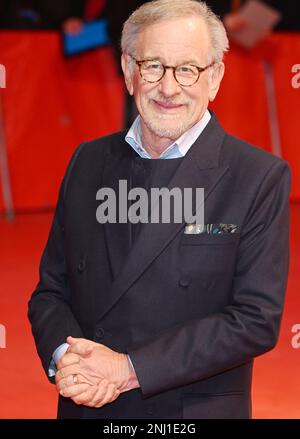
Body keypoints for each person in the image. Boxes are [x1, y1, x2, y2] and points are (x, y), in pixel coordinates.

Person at [28, 0, 290, 419]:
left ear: (216, 77)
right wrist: (66, 357)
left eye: (188, 69)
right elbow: (50, 291)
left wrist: (128, 369)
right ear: (129, 69)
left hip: (189, 413)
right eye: (152, 66)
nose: (169, 88)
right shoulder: (86, 161)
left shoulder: (257, 177)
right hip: (87, 406)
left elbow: (255, 320)